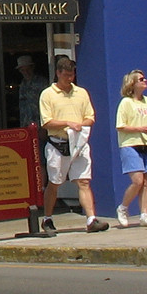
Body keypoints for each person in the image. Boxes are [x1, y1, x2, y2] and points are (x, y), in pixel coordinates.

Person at [38, 57, 109, 232]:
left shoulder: (81, 92)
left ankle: (91, 219)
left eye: (72, 75)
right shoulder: (48, 94)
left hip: (79, 143)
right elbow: (47, 123)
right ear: (58, 73)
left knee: (84, 181)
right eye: (66, 75)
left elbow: (90, 116)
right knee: (54, 183)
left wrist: (82, 124)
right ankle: (47, 219)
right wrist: (68, 123)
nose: (70, 79)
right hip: (58, 143)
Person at [114, 69, 147, 227]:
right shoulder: (126, 102)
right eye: (141, 79)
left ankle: (144, 214)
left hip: (146, 145)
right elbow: (120, 126)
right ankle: (123, 208)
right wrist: (140, 129)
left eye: (145, 78)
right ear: (133, 84)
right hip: (130, 144)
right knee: (137, 181)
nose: (145, 81)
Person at [15, 53, 48, 129]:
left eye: (28, 69)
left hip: (40, 126)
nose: (26, 72)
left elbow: (47, 105)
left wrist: (44, 129)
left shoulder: (42, 82)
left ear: (32, 68)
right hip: (25, 126)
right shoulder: (22, 85)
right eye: (23, 70)